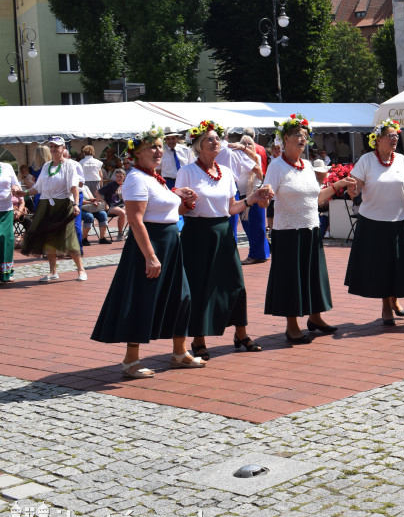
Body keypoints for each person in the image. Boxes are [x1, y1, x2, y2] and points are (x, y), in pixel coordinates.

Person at [90, 126, 201, 378]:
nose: (158, 150)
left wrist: (181, 200)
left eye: (160, 146)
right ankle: (131, 360)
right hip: (150, 245)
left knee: (181, 296)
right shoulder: (135, 178)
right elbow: (136, 219)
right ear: (138, 153)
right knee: (143, 298)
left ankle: (179, 353)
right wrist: (150, 256)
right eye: (153, 146)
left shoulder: (155, 178)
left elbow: (169, 214)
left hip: (171, 244)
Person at [177, 121, 270, 359]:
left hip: (223, 232)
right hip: (197, 234)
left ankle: (241, 332)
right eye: (210, 139)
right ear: (198, 145)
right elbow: (179, 210)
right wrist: (185, 202)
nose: (216, 142)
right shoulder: (186, 172)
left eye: (217, 138)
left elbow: (231, 208)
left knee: (235, 283)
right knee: (199, 286)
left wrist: (252, 198)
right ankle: (199, 339)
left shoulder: (226, 172)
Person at [258, 114, 339, 344]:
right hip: (288, 231)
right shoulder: (276, 166)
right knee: (290, 278)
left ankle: (315, 317)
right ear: (285, 139)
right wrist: (264, 198)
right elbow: (266, 198)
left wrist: (336, 186)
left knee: (313, 275)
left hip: (311, 228)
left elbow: (315, 198)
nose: (302, 140)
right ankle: (292, 325)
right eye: (297, 135)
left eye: (305, 136)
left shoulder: (307, 166)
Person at [343, 119, 404, 325]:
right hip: (374, 223)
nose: (395, 139)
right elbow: (354, 189)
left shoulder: (401, 160)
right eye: (391, 136)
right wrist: (351, 189)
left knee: (399, 265)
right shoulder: (366, 160)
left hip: (401, 220)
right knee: (381, 266)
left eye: (396, 136)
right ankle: (386, 305)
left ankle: (395, 300)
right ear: (378, 139)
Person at [20, 137, 87, 282]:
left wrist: (76, 204)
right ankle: (53, 271)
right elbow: (38, 188)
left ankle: (81, 269)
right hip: (46, 206)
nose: (53, 149)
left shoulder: (69, 166)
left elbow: (74, 188)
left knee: (68, 238)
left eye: (56, 147)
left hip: (63, 205)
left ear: (63, 148)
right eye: (51, 147)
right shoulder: (46, 166)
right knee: (49, 239)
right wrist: (24, 193)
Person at [238, 134, 270, 265]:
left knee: (255, 226)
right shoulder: (239, 158)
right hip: (243, 195)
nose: (247, 146)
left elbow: (258, 171)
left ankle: (256, 254)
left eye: (249, 143)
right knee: (249, 226)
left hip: (254, 195)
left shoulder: (255, 157)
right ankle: (262, 252)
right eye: (244, 143)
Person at [0, 161, 24, 284]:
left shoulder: (7, 167)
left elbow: (16, 185)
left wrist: (15, 187)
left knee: (6, 239)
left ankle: (6, 273)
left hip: (6, 210)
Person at [98, 169, 128, 239]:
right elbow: (97, 192)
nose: (119, 178)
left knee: (136, 212)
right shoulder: (111, 185)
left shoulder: (126, 185)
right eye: (117, 176)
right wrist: (104, 203)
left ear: (124, 177)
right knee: (122, 212)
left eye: (120, 176)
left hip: (121, 205)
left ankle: (131, 232)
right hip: (111, 206)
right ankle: (120, 233)